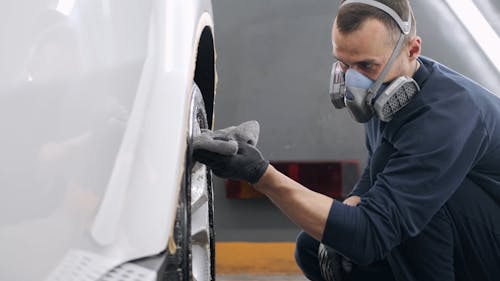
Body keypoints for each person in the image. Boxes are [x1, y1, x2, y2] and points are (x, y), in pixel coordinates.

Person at [193, 0, 500, 280]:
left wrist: (260, 174)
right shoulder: (391, 94)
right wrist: (352, 207)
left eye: (366, 66)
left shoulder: (445, 118)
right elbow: (375, 177)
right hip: (475, 236)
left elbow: (373, 233)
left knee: (411, 219)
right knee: (316, 246)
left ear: (412, 50)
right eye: (343, 63)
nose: (353, 81)